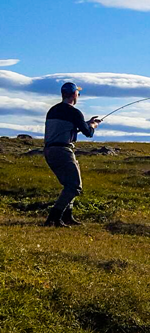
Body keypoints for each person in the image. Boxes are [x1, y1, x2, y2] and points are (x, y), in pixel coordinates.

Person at [43, 82, 101, 227]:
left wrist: (84, 123)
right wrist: (92, 125)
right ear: (74, 94)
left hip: (50, 151)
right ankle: (53, 218)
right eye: (78, 93)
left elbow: (66, 130)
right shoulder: (74, 112)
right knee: (74, 186)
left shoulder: (52, 110)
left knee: (69, 185)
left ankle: (67, 217)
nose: (78, 96)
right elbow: (88, 133)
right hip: (63, 151)